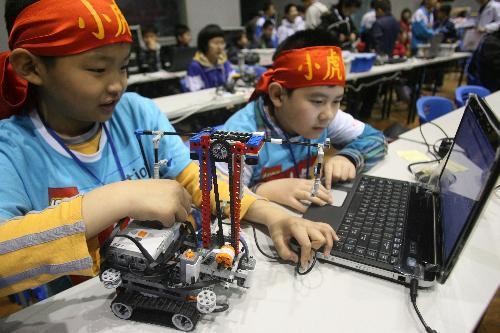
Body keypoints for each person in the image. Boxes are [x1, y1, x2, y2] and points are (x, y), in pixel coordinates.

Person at [0, 0, 337, 299]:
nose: (117, 84)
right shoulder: (11, 149)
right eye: (98, 69)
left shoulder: (135, 112)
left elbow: (196, 178)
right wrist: (118, 198)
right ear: (31, 67)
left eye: (124, 67)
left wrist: (271, 214)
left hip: (148, 281)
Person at [219, 30, 387, 213]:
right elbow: (215, 200)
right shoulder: (241, 135)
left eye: (337, 101)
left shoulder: (324, 117)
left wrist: (349, 157)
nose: (328, 114)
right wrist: (260, 191)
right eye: (317, 101)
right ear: (278, 95)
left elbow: (377, 140)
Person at [185, 24, 234, 91]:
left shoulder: (224, 62)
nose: (220, 47)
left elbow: (233, 81)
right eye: (215, 43)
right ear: (205, 45)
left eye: (222, 43)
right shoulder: (195, 66)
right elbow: (195, 93)